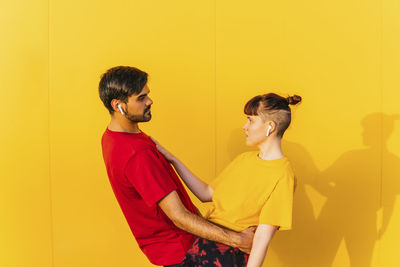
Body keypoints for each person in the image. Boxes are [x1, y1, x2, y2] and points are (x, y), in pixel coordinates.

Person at [98, 66, 255, 267]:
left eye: (148, 95)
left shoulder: (112, 137)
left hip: (174, 248)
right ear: (118, 105)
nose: (149, 101)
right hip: (184, 251)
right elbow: (178, 217)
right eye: (141, 98)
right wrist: (238, 240)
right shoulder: (136, 153)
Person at [152, 93, 301, 266]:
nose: (244, 126)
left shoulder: (283, 174)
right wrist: (173, 160)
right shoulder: (244, 159)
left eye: (251, 120)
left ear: (270, 126)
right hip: (202, 244)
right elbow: (206, 193)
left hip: (228, 256)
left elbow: (262, 236)